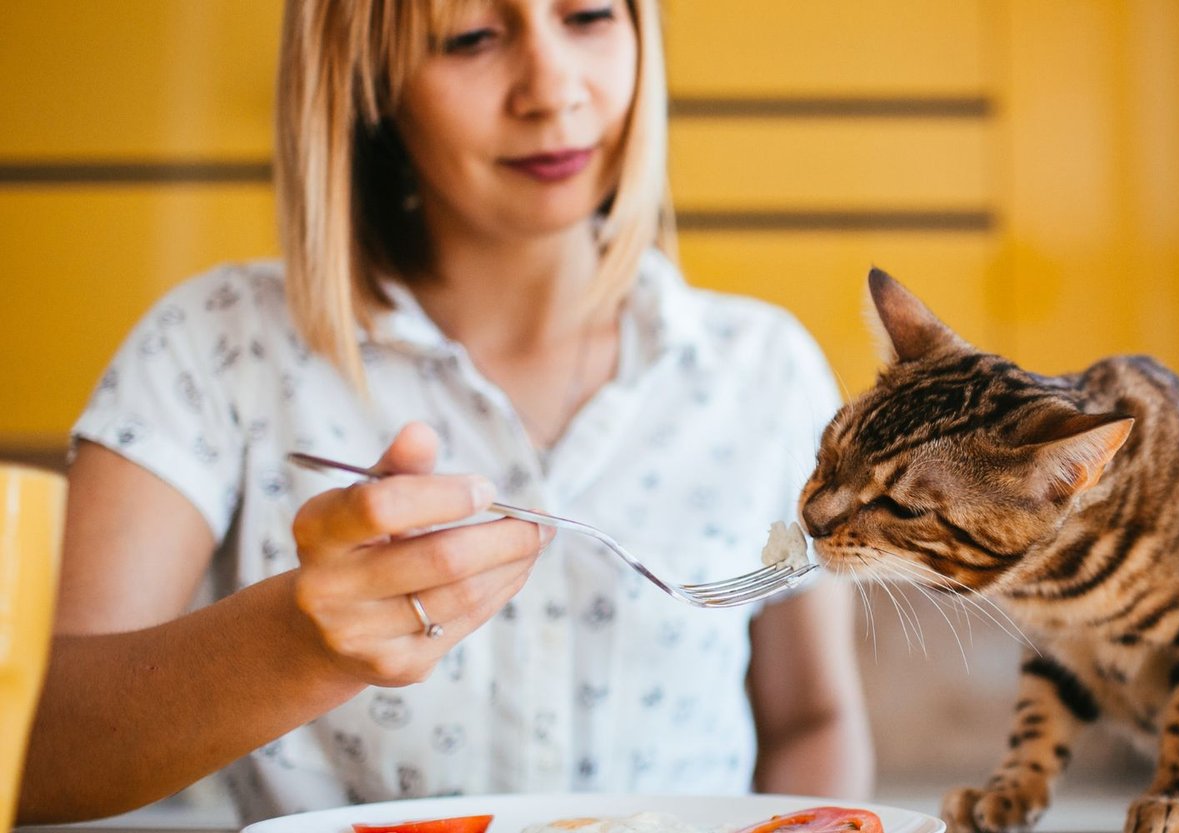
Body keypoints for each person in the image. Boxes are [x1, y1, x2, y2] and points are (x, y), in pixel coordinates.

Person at [18, 0, 872, 824]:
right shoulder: (213, 347)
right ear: (364, 79)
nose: (553, 88)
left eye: (588, 17)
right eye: (469, 36)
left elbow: (809, 722)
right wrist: (299, 645)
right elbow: (32, 751)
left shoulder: (763, 368)